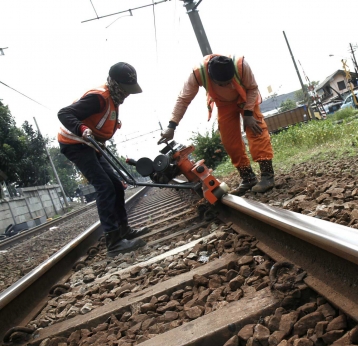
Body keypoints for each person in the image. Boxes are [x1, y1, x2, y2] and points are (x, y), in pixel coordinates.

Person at [57, 62, 148, 257]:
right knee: (104, 186)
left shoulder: (114, 99)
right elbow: (64, 113)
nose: (128, 94)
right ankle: (113, 242)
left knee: (116, 184)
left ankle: (123, 230)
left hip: (91, 144)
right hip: (75, 143)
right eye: (126, 89)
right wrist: (81, 129)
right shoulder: (99, 98)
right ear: (116, 84)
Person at [160, 54, 275, 196]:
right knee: (229, 141)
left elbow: (252, 88)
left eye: (229, 81)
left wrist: (249, 113)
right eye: (223, 84)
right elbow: (184, 99)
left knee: (256, 131)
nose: (228, 86)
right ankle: (248, 178)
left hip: (246, 98)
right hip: (224, 104)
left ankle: (267, 176)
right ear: (211, 77)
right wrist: (172, 125)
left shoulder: (241, 65)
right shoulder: (198, 74)